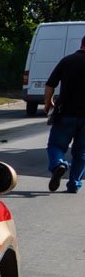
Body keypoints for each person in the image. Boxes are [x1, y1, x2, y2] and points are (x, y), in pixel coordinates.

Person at [46, 35, 85, 193]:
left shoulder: (68, 60)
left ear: (82, 44)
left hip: (66, 113)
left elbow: (50, 84)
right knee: (81, 151)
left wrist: (48, 103)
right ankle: (74, 184)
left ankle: (58, 164)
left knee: (56, 145)